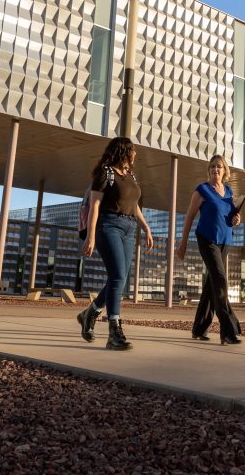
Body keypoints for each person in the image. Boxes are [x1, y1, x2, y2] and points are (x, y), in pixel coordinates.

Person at [76, 137, 153, 350]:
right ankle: (114, 332)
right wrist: (91, 236)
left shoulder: (130, 175)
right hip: (108, 226)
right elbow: (95, 206)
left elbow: (134, 205)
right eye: (132, 150)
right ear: (123, 151)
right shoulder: (105, 173)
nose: (135, 154)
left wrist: (145, 226)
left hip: (129, 228)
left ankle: (89, 313)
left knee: (119, 278)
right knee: (118, 276)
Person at [176, 154, 242, 345]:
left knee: (211, 285)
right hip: (207, 240)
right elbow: (189, 217)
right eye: (212, 167)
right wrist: (183, 243)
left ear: (225, 171)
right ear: (209, 170)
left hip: (224, 241)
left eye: (219, 167)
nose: (215, 170)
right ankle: (228, 331)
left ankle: (199, 328)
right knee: (220, 280)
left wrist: (237, 220)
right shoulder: (202, 190)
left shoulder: (228, 191)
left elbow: (231, 217)